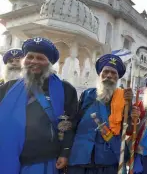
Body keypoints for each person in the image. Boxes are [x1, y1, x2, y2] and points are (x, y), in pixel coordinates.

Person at [0, 37, 78, 174]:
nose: (34, 61)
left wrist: (65, 152)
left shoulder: (66, 89)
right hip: (8, 157)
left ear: (49, 62)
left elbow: (71, 124)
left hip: (43, 161)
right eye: (30, 57)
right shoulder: (7, 88)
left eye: (40, 58)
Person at [68, 54, 132, 174]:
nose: (109, 76)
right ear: (99, 74)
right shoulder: (87, 95)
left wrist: (131, 108)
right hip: (80, 158)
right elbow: (76, 121)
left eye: (114, 73)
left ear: (118, 78)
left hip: (107, 160)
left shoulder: (123, 98)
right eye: (106, 71)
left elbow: (129, 128)